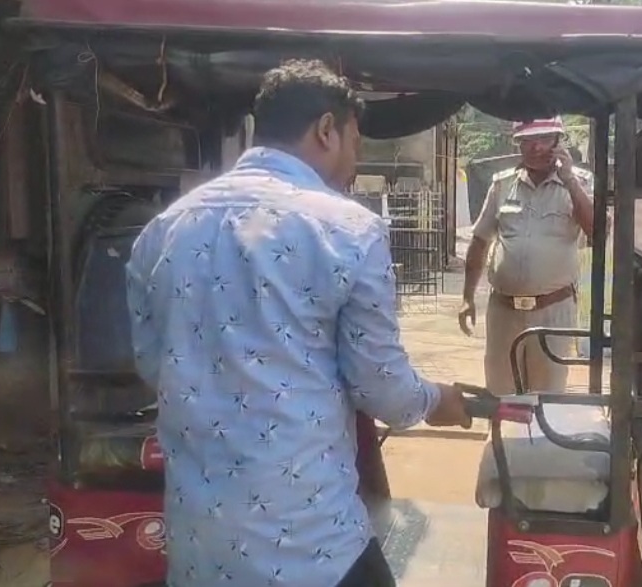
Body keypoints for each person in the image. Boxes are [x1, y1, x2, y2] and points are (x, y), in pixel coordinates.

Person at [125, 59, 470, 587]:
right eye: (355, 143)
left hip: (201, 545)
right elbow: (383, 388)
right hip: (311, 545)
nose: (355, 161)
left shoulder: (163, 230)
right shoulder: (348, 230)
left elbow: (154, 365)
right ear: (326, 129)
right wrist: (437, 400)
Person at [459, 117, 594, 395]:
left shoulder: (578, 183)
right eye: (527, 140)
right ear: (518, 144)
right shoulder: (502, 184)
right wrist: (467, 298)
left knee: (547, 397)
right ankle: (506, 427)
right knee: (502, 394)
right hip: (504, 310)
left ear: (558, 142)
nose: (536, 147)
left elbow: (597, 231)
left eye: (544, 139)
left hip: (553, 310)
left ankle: (541, 427)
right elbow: (480, 241)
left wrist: (569, 179)